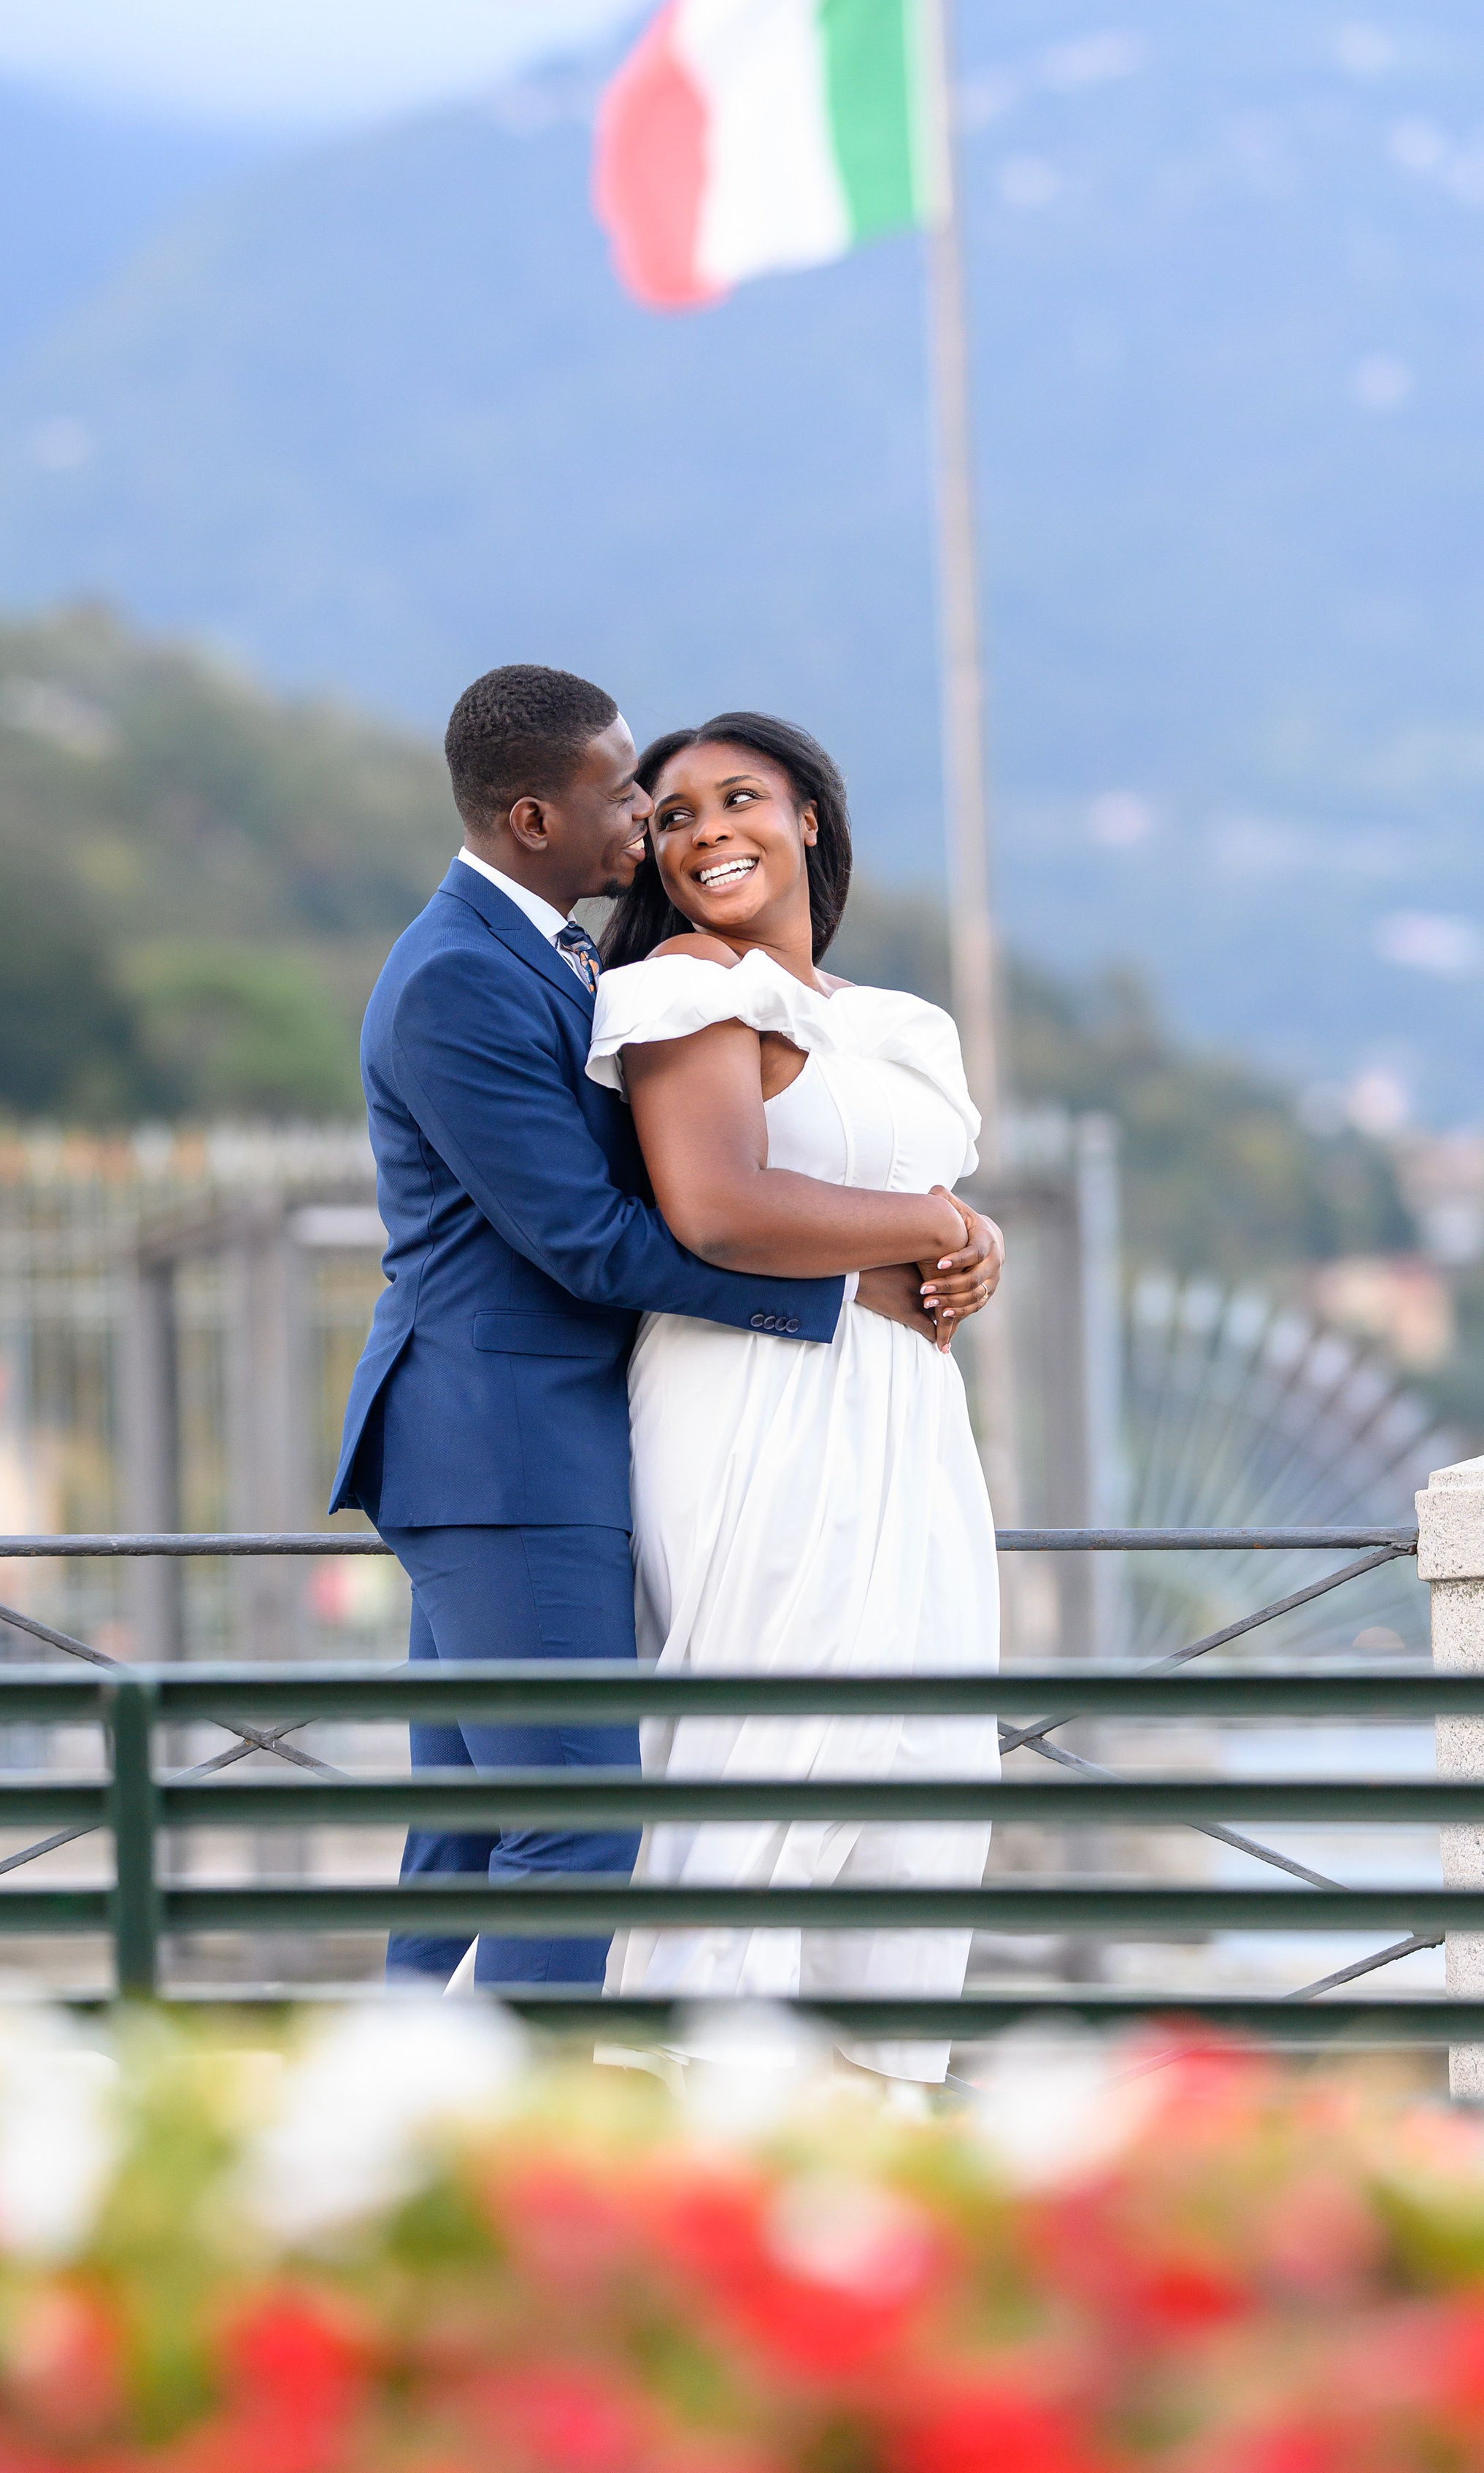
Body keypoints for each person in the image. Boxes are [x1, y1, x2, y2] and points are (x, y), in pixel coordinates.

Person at [328, 665, 1001, 1990]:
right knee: (577, 1837)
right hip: (503, 1441)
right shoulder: (463, 977)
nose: (649, 816)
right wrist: (862, 1276)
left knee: (469, 1842)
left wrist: (948, 1232)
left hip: (543, 1432)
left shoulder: (556, 956)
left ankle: (388, 2132)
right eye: (627, 788)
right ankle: (512, 2168)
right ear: (534, 820)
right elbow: (594, 1236)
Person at [586, 712, 1002, 2080]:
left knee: (920, 1752)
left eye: (741, 798)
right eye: (674, 814)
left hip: (910, 1417)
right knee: (768, 1734)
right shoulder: (678, 986)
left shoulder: (896, 1025)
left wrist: (957, 1233)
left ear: (809, 817)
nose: (708, 833)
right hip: (757, 1397)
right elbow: (717, 1206)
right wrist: (933, 1229)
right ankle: (702, 2099)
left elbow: (894, 1188)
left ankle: (870, 2125)